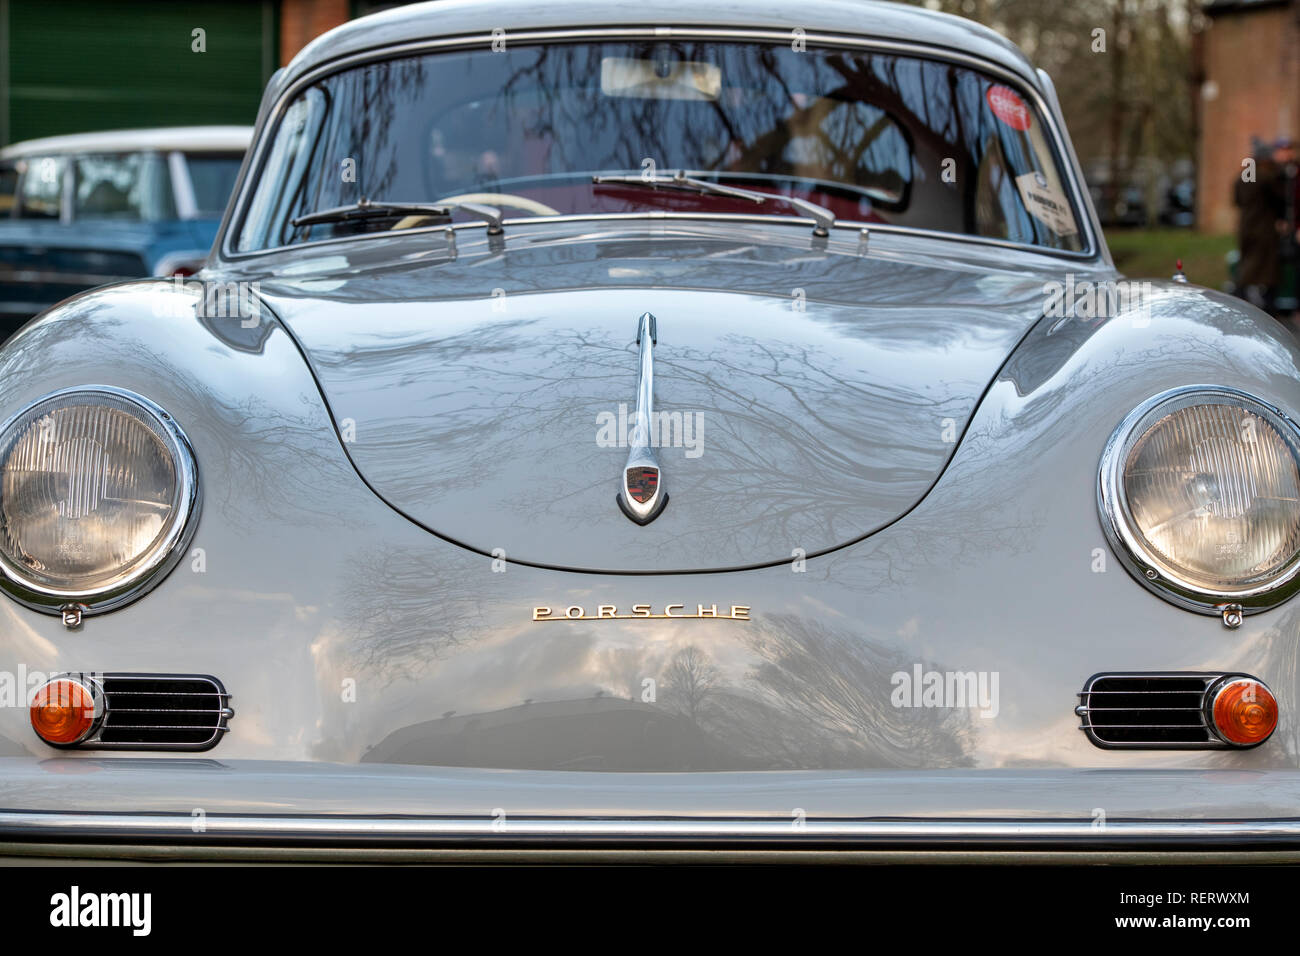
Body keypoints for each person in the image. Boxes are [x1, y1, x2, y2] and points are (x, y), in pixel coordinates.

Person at [1234, 138, 1280, 312]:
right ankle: (1260, 304)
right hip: (1263, 229)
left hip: (1246, 227)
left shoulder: (1245, 176)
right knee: (1263, 270)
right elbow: (1278, 197)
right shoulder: (1266, 177)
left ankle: (1241, 299)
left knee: (1247, 264)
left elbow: (1237, 199)